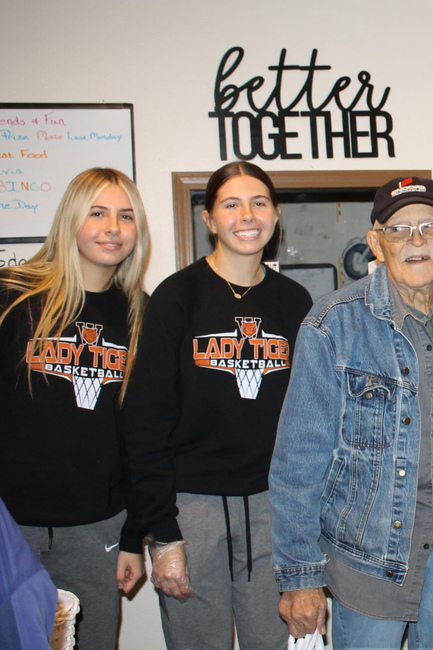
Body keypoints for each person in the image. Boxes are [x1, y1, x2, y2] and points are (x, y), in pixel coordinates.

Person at [270, 176, 433, 649]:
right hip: (367, 553)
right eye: (398, 229)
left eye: (430, 227)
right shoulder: (331, 325)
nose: (416, 241)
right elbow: (297, 461)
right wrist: (300, 576)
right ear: (375, 242)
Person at [122, 161, 311, 650]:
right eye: (231, 204)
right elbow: (146, 423)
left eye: (259, 202)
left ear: (275, 216)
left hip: (275, 507)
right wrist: (162, 531)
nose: (247, 215)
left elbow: (313, 419)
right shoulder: (175, 297)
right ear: (209, 219)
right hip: (191, 510)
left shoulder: (296, 302)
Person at [0, 167, 150, 649]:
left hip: (97, 528)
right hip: (9, 523)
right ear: (70, 220)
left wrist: (133, 535)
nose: (113, 227)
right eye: (98, 213)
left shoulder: (140, 314)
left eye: (126, 216)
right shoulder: (14, 295)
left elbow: (145, 436)